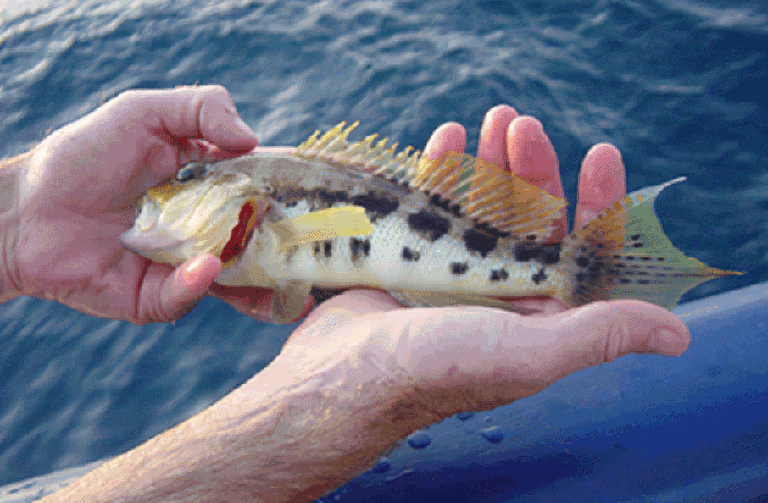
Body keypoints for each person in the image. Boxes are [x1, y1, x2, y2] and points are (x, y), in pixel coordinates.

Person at [0, 86, 689, 502]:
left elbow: (296, 270)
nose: (153, 204)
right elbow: (288, 281)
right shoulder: (236, 222)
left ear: (239, 197)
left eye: (181, 182)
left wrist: (22, 216)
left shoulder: (260, 205)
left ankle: (570, 269)